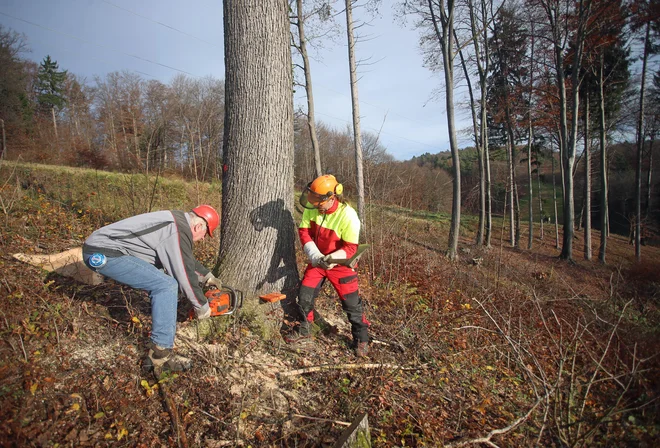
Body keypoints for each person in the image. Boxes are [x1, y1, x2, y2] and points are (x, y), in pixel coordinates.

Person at [82, 205, 223, 374]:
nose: (203, 239)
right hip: (103, 253)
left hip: (108, 250)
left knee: (165, 283)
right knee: (166, 286)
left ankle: (159, 350)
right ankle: (160, 354)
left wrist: (207, 276)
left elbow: (182, 258)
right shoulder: (177, 229)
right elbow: (183, 271)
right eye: (205, 234)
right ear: (199, 226)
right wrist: (201, 306)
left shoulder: (176, 222)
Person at [285, 175, 370, 357]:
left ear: (332, 197)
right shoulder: (312, 208)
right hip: (318, 261)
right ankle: (306, 328)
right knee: (304, 295)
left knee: (351, 303)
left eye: (319, 201)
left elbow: (350, 248)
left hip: (340, 264)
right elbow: (304, 232)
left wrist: (332, 258)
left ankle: (361, 338)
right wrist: (315, 255)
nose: (315, 204)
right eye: (313, 199)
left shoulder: (348, 216)